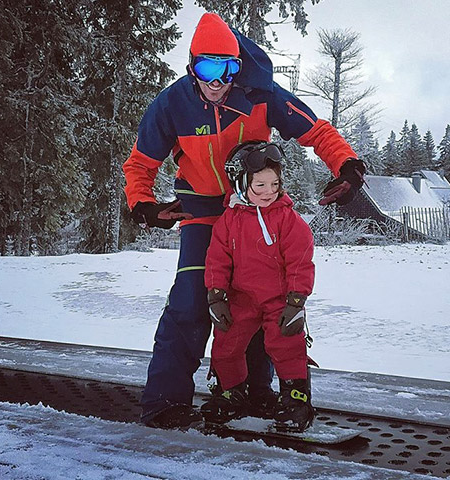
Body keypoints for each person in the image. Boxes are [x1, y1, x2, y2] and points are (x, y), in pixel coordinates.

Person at [123, 12, 365, 429]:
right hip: (201, 211)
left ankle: (254, 390)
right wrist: (143, 204)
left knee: (259, 298)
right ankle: (165, 400)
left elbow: (315, 131)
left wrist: (346, 164)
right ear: (191, 66)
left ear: (239, 66)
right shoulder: (171, 105)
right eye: (207, 68)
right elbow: (140, 164)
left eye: (228, 68)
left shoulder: (260, 94)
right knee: (192, 300)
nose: (217, 81)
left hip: (253, 210)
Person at [201, 141, 315, 432]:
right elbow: (217, 258)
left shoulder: (288, 220)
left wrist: (296, 302)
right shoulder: (229, 220)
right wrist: (216, 296)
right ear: (241, 183)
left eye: (274, 184)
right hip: (241, 298)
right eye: (260, 185)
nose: (268, 192)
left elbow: (300, 261)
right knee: (226, 342)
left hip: (279, 299)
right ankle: (232, 392)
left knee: (285, 342)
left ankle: (296, 398)